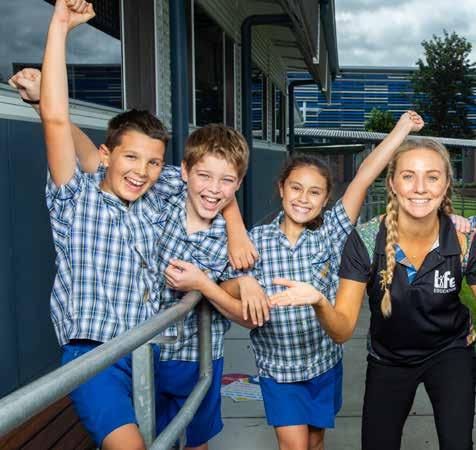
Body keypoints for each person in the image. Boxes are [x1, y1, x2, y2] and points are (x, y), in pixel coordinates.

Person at [36, 2, 260, 449]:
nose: (142, 171)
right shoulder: (76, 199)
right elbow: (56, 120)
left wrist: (237, 233)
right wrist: (59, 27)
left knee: (171, 437)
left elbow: (216, 184)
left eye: (154, 162)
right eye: (132, 158)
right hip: (94, 353)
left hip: (147, 352)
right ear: (106, 156)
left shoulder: (153, 198)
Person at [215, 111, 425, 450]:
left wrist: (401, 130)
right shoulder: (254, 241)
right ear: (281, 188)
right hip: (279, 370)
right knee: (295, 446)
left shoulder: (331, 232)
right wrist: (245, 283)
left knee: (314, 442)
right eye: (296, 188)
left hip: (323, 365)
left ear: (326, 200)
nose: (303, 198)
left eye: (314, 192)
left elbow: (363, 176)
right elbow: (224, 287)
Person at [270, 139, 476, 450]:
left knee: (457, 443)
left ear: (446, 183)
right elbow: (342, 330)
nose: (420, 187)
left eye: (432, 177)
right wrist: (320, 301)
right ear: (392, 183)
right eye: (408, 176)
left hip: (450, 351)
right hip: (389, 358)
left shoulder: (463, 240)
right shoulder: (365, 240)